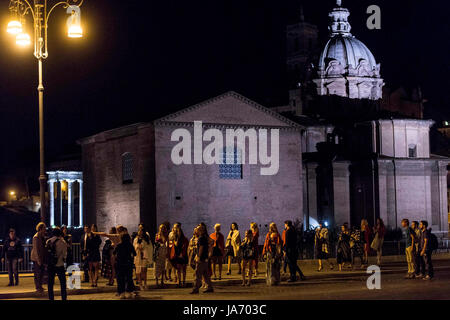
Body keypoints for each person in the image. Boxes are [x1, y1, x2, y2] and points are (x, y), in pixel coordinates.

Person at [190, 223, 214, 294]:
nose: (196, 231)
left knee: (197, 274)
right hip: (205, 258)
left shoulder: (201, 238)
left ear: (200, 230)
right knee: (205, 274)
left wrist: (198, 257)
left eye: (197, 229)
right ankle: (209, 287)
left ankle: (196, 288)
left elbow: (201, 248)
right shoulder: (204, 237)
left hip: (201, 258)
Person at [46, 227, 67, 300]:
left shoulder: (48, 241)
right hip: (59, 264)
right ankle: (63, 298)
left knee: (50, 283)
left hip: (50, 265)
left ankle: (51, 298)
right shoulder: (62, 242)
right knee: (62, 283)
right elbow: (64, 254)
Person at [114, 233, 137, 299]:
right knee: (129, 278)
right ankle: (129, 292)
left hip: (120, 264)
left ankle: (121, 292)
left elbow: (114, 253)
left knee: (120, 279)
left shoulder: (119, 245)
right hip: (128, 263)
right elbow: (134, 254)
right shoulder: (130, 245)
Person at [169, 223, 189, 287]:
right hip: (177, 255)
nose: (178, 233)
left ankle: (184, 281)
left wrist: (182, 254)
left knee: (184, 269)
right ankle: (179, 281)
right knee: (178, 269)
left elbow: (186, 247)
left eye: (179, 231)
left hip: (183, 255)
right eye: (177, 232)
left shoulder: (185, 239)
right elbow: (173, 246)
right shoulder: (175, 239)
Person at [31, 222, 46, 293]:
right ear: (40, 229)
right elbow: (36, 249)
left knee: (41, 272)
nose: (45, 230)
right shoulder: (36, 237)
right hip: (36, 258)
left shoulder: (41, 236)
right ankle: (38, 287)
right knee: (37, 273)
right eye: (44, 228)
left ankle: (40, 286)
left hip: (41, 257)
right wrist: (38, 260)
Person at [154, 224, 169, 288]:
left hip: (163, 250)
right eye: (160, 228)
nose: (161, 229)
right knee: (157, 266)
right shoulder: (157, 235)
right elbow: (155, 242)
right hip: (158, 251)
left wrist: (162, 235)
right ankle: (157, 280)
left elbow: (164, 242)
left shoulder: (165, 235)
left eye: (162, 228)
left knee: (163, 266)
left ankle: (162, 280)